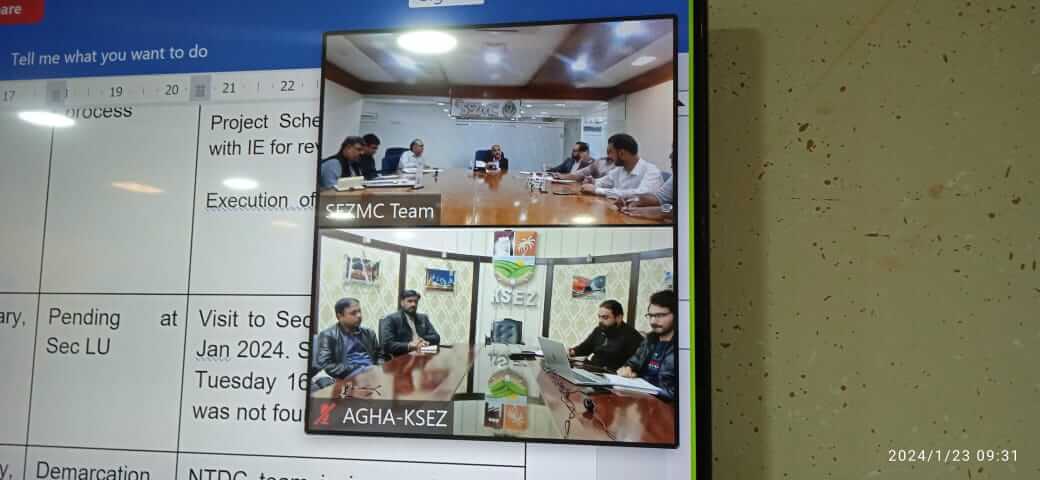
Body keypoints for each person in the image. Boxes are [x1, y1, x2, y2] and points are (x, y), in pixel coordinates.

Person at [618, 290, 677, 400]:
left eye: (660, 315)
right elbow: (632, 363)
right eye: (650, 315)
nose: (653, 321)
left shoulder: (685, 346)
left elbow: (678, 392)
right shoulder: (649, 340)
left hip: (664, 404)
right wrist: (628, 369)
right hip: (640, 398)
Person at [315, 298, 382, 379]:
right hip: (348, 375)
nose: (359, 315)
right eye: (353, 313)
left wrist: (380, 367)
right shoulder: (328, 335)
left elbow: (380, 356)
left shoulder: (369, 333)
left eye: (359, 311)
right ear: (339, 316)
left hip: (372, 373)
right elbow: (325, 364)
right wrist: (356, 369)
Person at [568, 299, 644, 371]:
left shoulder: (632, 336)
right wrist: (571, 352)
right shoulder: (598, 330)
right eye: (599, 317)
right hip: (591, 370)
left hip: (612, 376)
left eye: (605, 317)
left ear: (619, 318)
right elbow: (585, 347)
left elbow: (638, 364)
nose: (600, 321)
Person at [581, 133, 662, 198]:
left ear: (622, 153)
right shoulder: (619, 170)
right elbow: (604, 182)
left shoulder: (652, 171)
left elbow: (643, 195)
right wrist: (593, 181)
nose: (608, 156)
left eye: (610, 152)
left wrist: (598, 190)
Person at [379, 289, 441, 357]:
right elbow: (387, 344)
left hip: (422, 355)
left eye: (415, 301)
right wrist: (410, 345)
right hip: (402, 357)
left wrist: (421, 339)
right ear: (402, 303)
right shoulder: (391, 319)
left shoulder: (423, 318)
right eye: (410, 301)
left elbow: (436, 337)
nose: (413, 304)